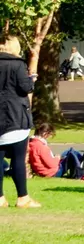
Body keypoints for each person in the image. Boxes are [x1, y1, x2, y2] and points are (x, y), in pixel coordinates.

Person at [0, 35, 37, 208]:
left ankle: (0, 197)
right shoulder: (18, 64)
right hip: (15, 116)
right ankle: (23, 197)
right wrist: (31, 79)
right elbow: (25, 88)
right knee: (18, 158)